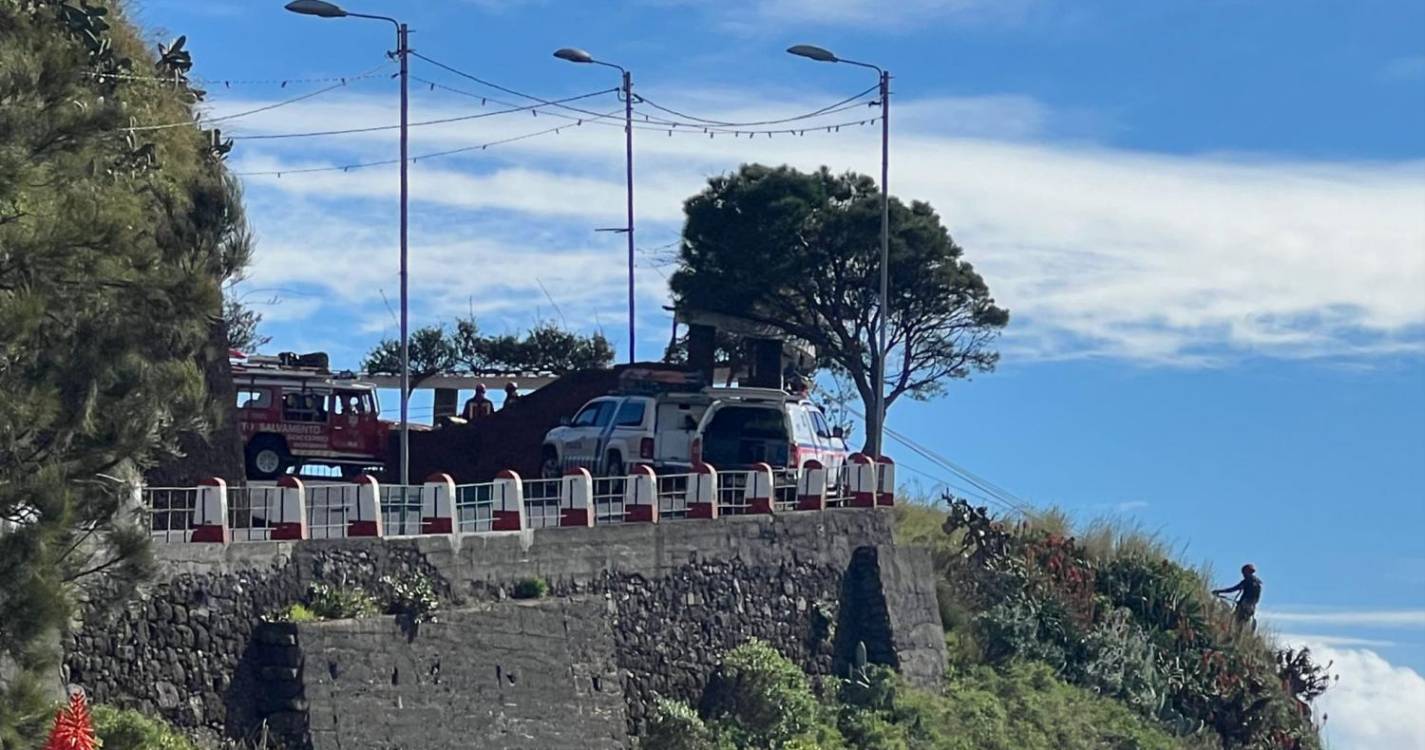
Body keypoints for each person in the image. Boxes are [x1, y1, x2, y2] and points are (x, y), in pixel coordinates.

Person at [1213, 563, 1263, 629]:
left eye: (1243, 573)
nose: (1243, 575)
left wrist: (1218, 591)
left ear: (1246, 572)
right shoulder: (1258, 583)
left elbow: (1233, 589)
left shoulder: (1247, 581)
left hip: (1243, 605)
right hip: (1252, 607)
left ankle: (1233, 635)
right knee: (1243, 623)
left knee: (1235, 621)